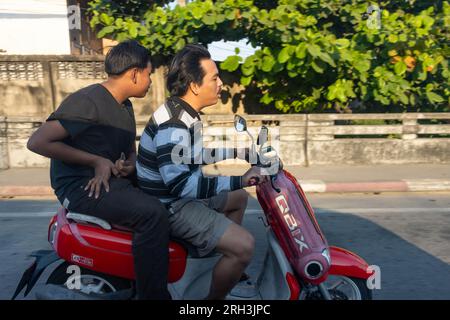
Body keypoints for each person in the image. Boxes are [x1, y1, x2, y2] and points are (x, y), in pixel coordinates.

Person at [27, 40, 171, 300]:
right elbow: (38, 141)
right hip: (82, 188)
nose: (150, 81)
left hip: (111, 184)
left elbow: (128, 150)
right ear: (135, 73)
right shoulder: (88, 101)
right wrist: (96, 161)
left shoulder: (124, 105)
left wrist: (128, 164)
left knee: (169, 193)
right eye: (149, 74)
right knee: (153, 214)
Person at [136, 44, 266, 300]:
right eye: (214, 78)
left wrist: (238, 153)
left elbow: (192, 157)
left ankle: (221, 265)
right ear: (195, 85)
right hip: (172, 206)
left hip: (176, 196)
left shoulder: (184, 113)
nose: (220, 84)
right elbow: (181, 186)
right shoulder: (174, 125)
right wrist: (241, 178)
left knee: (239, 199)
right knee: (245, 246)